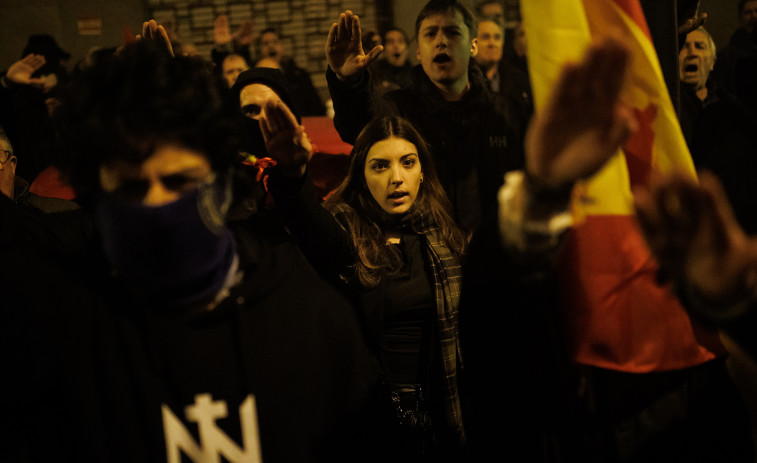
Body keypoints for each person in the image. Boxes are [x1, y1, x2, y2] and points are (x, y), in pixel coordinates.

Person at [1, 24, 380, 462]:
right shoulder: (68, 337)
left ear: (217, 181)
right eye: (131, 187)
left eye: (179, 181)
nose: (157, 204)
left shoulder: (308, 318)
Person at [266, 112, 468, 461]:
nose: (396, 178)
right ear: (360, 175)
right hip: (369, 419)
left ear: (423, 171)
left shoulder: (441, 235)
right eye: (380, 166)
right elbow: (311, 225)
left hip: (438, 414)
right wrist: (294, 176)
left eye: (407, 162)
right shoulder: (345, 231)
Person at [326, 0, 525, 233]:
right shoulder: (398, 109)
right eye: (431, 34)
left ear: (473, 46)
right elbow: (359, 128)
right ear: (419, 51)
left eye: (452, 32)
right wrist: (351, 83)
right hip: (428, 251)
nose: (441, 41)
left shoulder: (502, 112)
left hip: (491, 252)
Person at [678, 26, 757, 235]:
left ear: (713, 61)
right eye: (685, 47)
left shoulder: (734, 107)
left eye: (700, 46)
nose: (692, 52)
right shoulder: (666, 108)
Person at [256, 27, 326, 116]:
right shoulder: (256, 77)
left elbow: (315, 106)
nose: (271, 46)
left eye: (275, 42)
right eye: (265, 43)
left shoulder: (299, 75)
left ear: (282, 46)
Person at [368, 27, 413, 94]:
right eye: (390, 42)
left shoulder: (416, 76)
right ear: (384, 50)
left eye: (400, 41)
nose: (396, 45)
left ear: (407, 49)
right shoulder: (374, 75)